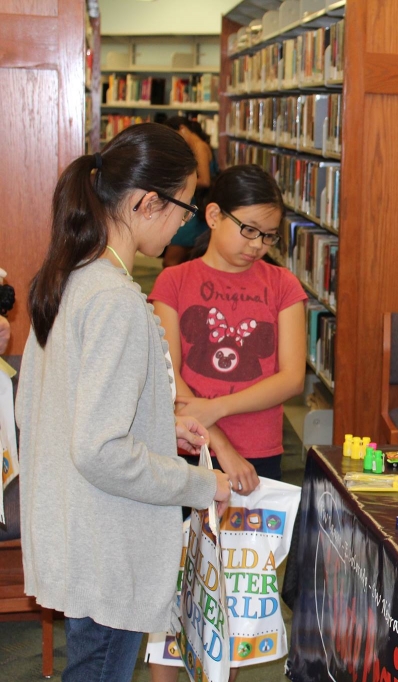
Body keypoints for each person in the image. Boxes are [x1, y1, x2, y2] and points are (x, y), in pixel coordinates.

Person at [15, 123, 231, 682]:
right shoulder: (115, 300)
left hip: (74, 524)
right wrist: (203, 485)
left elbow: (54, 406)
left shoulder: (68, 275)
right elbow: (101, 450)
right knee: (99, 669)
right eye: (185, 206)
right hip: (109, 538)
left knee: (87, 664)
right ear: (146, 201)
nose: (187, 223)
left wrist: (160, 430)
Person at [149, 164, 305, 681]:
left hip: (257, 457)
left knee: (233, 590)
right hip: (186, 452)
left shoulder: (282, 285)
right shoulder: (173, 281)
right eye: (249, 229)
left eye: (270, 235)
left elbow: (291, 378)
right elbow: (172, 385)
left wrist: (217, 408)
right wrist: (219, 441)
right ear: (213, 215)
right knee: (173, 581)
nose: (258, 244)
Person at [162, 116, 218, 267]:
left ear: (182, 129)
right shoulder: (196, 147)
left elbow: (205, 180)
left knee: (171, 260)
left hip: (195, 211)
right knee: (184, 260)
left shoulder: (198, 146)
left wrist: (176, 186)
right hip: (194, 207)